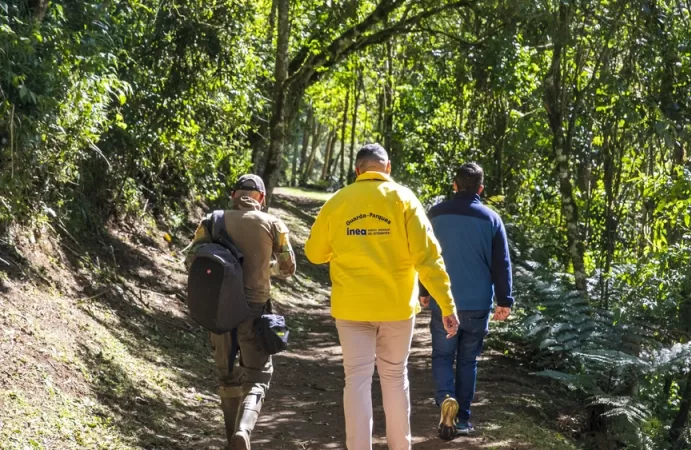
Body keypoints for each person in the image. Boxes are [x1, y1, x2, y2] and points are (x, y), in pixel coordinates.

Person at [305, 143, 460, 450]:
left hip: (351, 307)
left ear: (357, 171)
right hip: (396, 308)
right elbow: (428, 258)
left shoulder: (338, 201)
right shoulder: (404, 199)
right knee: (394, 378)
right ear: (387, 169)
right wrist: (447, 304)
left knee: (357, 381)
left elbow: (314, 253)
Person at [184, 174, 296, 450]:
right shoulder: (273, 224)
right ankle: (243, 431)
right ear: (262, 198)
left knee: (227, 378)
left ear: (234, 195)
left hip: (218, 311)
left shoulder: (212, 220)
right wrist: (265, 270)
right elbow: (288, 268)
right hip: (254, 311)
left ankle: (230, 439)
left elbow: (191, 260)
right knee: (258, 376)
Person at [419, 162, 514, 438]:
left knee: (442, 355)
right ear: (481, 189)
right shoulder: (492, 219)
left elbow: (424, 256)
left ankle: (445, 400)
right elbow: (502, 263)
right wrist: (504, 300)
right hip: (477, 304)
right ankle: (462, 419)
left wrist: (423, 291)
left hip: (443, 300)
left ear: (454, 185)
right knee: (468, 360)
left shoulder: (434, 214)